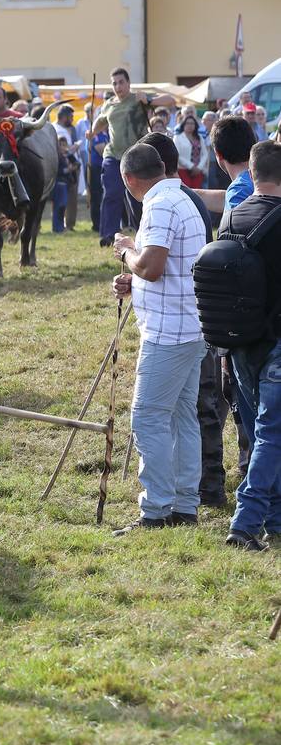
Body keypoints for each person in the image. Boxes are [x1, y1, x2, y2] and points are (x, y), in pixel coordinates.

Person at [110, 144, 208, 535]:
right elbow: (172, 269)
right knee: (183, 417)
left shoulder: (159, 204)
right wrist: (133, 280)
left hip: (169, 334)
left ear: (129, 180)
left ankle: (156, 510)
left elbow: (151, 266)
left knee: (147, 416)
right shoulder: (181, 197)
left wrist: (127, 252)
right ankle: (185, 505)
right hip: (189, 326)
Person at [220, 141, 281, 551]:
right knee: (273, 433)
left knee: (265, 435)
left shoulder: (232, 217)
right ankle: (245, 524)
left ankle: (276, 519)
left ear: (252, 174)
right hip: (277, 341)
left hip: (240, 345)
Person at [92, 68, 176, 246]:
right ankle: (108, 236)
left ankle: (143, 232)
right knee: (112, 194)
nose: (118, 86)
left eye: (121, 82)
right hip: (113, 155)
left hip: (136, 156)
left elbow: (171, 100)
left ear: (128, 83)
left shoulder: (138, 98)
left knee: (139, 197)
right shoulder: (108, 104)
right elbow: (99, 122)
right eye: (114, 83)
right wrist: (91, 132)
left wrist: (149, 100)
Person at [195, 115, 257, 215]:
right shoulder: (264, 179)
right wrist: (185, 191)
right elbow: (225, 198)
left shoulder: (238, 191)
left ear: (218, 155)